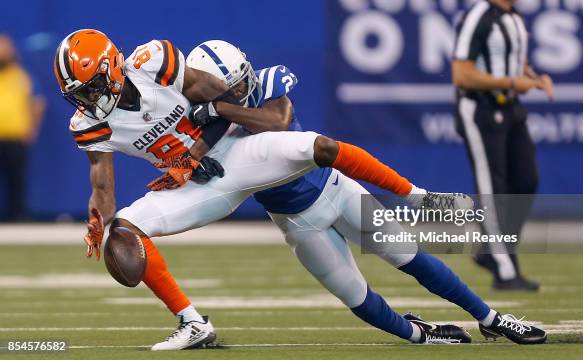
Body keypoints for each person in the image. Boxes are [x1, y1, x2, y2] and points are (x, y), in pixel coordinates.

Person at [55, 29, 472, 350]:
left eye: (90, 88)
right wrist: (100, 222)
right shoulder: (89, 122)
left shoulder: (154, 62)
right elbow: (102, 183)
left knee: (319, 146)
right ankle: (192, 322)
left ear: (113, 67)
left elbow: (224, 105)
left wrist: (194, 151)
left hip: (237, 152)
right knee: (123, 233)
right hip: (198, 182)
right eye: (78, 95)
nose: (86, 101)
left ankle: (419, 198)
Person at [187, 40, 548, 346]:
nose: (241, 89)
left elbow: (278, 123)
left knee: (411, 257)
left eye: (240, 82)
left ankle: (491, 318)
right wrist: (194, 162)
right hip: (295, 220)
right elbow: (193, 164)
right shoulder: (200, 125)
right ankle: (421, 333)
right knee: (356, 297)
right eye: (229, 89)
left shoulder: (261, 86)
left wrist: (221, 107)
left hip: (336, 189)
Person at [452, 0, 554, 291]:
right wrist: (511, 83)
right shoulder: (477, 16)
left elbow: (511, 59)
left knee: (526, 181)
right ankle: (505, 269)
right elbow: (461, 73)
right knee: (492, 189)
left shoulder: (512, 16)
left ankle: (490, 252)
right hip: (480, 110)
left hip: (510, 107)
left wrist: (533, 77)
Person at [0, 35, 45, 221]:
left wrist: (32, 129)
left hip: (15, 138)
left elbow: (38, 102)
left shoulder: (22, 77)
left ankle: (18, 217)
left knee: (16, 181)